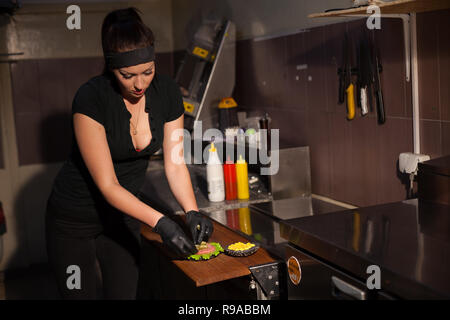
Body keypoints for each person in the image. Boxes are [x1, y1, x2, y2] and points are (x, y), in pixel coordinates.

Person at [45, 7, 213, 300]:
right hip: (73, 220)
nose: (139, 84)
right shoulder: (91, 99)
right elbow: (108, 185)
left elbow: (175, 164)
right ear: (112, 68)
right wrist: (160, 222)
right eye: (128, 75)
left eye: (147, 72)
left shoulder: (168, 92)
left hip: (122, 218)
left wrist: (192, 210)